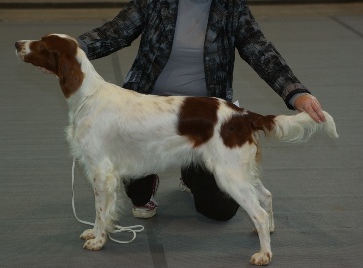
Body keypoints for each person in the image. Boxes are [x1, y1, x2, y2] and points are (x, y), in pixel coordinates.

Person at [74, 0, 326, 221]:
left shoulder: (231, 6)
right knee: (132, 178)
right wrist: (73, 47)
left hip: (203, 119)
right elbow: (115, 32)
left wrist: (296, 94)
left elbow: (260, 50)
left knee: (220, 209)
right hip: (146, 108)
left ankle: (191, 171)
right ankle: (146, 183)